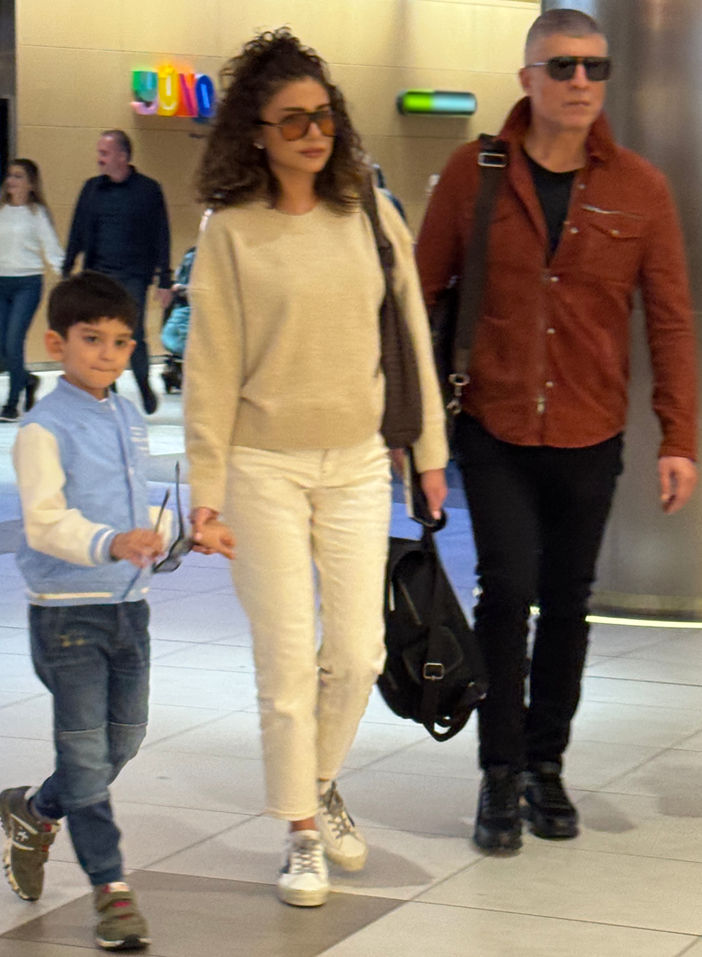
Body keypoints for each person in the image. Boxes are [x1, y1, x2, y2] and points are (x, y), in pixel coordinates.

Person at [416, 8, 697, 853]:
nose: (580, 82)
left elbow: (671, 320)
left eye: (594, 68)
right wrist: (414, 432)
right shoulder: (474, 172)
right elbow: (419, 298)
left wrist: (679, 435)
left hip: (589, 428)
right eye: (563, 66)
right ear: (527, 78)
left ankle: (547, 764)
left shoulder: (639, 187)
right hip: (494, 422)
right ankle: (499, 772)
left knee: (569, 601)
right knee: (506, 593)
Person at [184, 28, 448, 908]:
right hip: (262, 462)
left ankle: (320, 779)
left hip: (358, 459)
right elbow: (211, 369)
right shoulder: (231, 229)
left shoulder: (368, 210)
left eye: (323, 115)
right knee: (288, 658)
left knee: (361, 651)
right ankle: (301, 830)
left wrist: (430, 455)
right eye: (291, 119)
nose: (312, 132)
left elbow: (411, 336)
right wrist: (205, 494)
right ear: (255, 133)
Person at [0, 271, 233, 950]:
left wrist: (189, 533)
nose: (108, 353)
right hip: (67, 615)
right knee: (83, 751)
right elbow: (45, 523)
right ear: (57, 343)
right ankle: (111, 889)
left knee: (120, 743)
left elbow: (137, 511)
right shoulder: (42, 429)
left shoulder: (127, 416)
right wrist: (110, 542)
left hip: (129, 609)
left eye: (121, 341)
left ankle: (35, 810)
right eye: (92, 339)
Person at [62, 130, 173, 415]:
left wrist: (165, 278)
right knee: (100, 334)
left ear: (122, 156)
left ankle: (143, 384)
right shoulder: (91, 189)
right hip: (98, 275)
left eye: (105, 153)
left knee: (132, 332)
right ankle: (107, 391)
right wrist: (67, 267)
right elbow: (77, 229)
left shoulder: (148, 190)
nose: (99, 159)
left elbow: (161, 234)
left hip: (133, 275)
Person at [0, 159, 63, 422]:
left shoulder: (37, 214)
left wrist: (66, 277)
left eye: (18, 176)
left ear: (30, 184)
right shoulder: (1, 210)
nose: (11, 181)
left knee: (14, 341)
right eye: (10, 175)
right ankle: (27, 380)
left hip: (27, 283)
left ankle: (12, 402)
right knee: (3, 346)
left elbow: (52, 249)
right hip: (2, 282)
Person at [160, 245, 196, 393]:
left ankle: (174, 371)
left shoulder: (190, 257)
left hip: (175, 322)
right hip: (188, 318)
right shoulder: (196, 258)